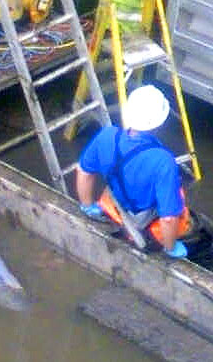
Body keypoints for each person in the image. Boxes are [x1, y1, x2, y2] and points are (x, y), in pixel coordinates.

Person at [76, 84, 190, 257]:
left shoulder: (107, 135)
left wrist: (87, 206)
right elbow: (168, 218)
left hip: (115, 205)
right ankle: (161, 238)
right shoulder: (163, 161)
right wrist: (170, 248)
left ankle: (101, 209)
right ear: (160, 121)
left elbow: (83, 171)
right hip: (143, 217)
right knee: (177, 197)